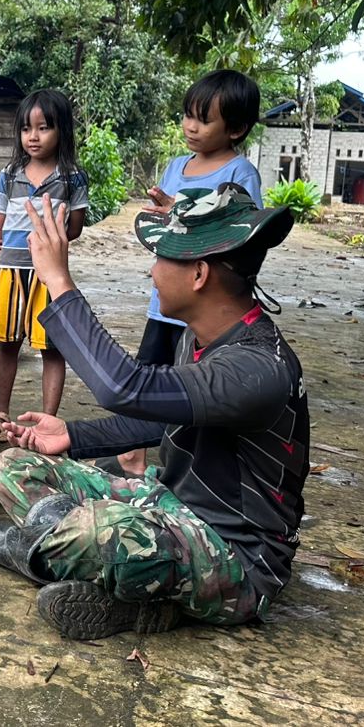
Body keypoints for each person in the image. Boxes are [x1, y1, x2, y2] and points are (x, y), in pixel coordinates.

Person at [0, 185, 308, 641]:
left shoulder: (257, 367)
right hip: (169, 506)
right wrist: (71, 435)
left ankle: (14, 548)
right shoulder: (202, 336)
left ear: (199, 274)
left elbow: (125, 387)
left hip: (236, 562)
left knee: (100, 529)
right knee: (13, 467)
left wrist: (57, 281)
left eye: (163, 258)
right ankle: (121, 582)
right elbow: (166, 415)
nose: (152, 271)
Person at [118, 69, 264, 478]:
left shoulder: (240, 174)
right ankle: (133, 451)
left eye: (203, 119)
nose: (190, 126)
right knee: (147, 373)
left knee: (191, 383)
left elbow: (243, 238)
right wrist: (163, 214)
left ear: (235, 128)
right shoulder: (177, 166)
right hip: (165, 301)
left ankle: (184, 459)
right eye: (187, 115)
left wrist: (181, 213)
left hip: (205, 308)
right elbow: (160, 233)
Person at [0, 88, 89, 426]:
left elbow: (74, 229)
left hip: (50, 274)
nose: (33, 136)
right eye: (26, 128)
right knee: (7, 343)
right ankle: (1, 411)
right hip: (9, 271)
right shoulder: (9, 174)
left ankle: (48, 418)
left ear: (62, 130)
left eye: (44, 127)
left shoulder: (72, 177)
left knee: (52, 347)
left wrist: (51, 230)